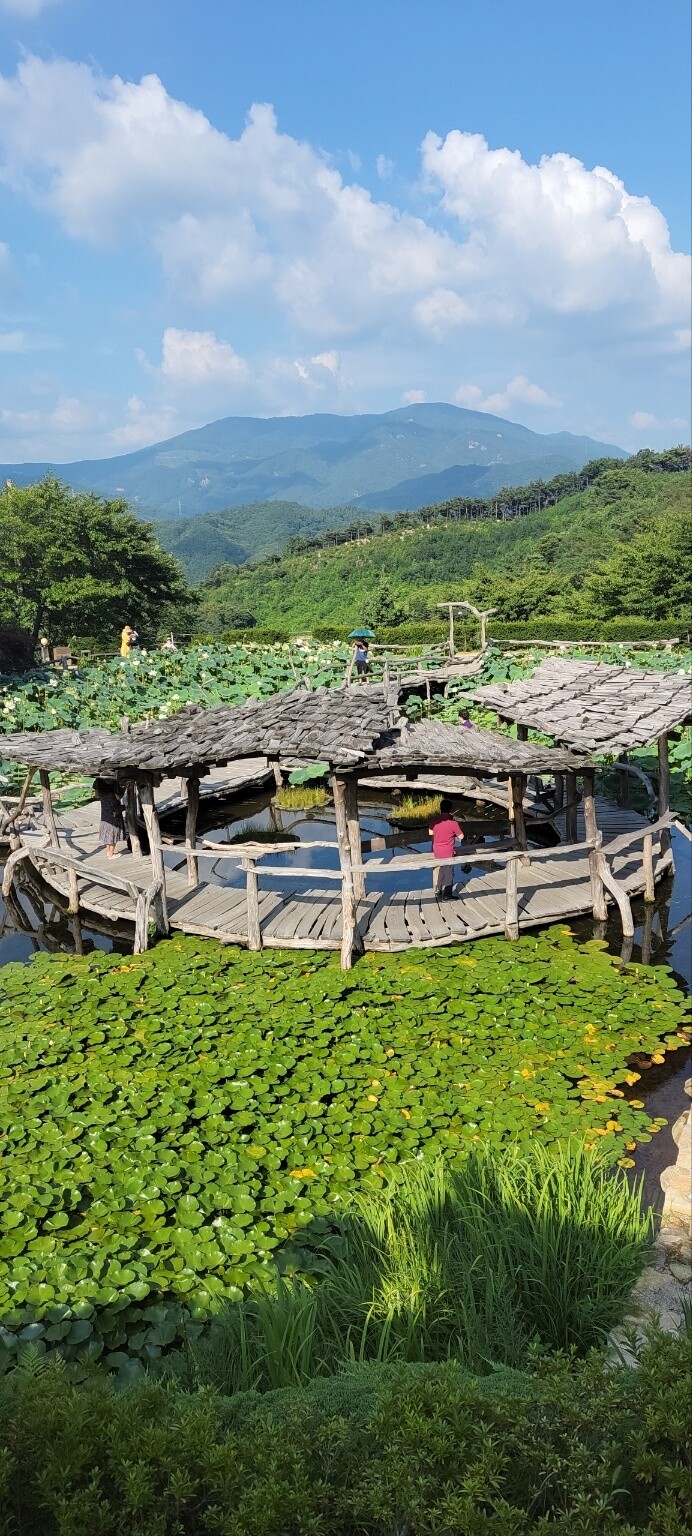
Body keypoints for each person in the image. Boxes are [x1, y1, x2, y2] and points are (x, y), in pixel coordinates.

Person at [429, 798, 464, 900]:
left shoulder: (435, 820)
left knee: (441, 869)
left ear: (440, 808)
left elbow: (431, 833)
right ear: (451, 809)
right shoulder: (453, 823)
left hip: (437, 851)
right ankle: (447, 894)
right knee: (449, 872)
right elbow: (461, 837)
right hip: (448, 851)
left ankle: (438, 890)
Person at [93, 778, 126, 858]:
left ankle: (109, 852)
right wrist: (125, 788)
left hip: (105, 807)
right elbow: (118, 797)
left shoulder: (98, 781)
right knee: (113, 830)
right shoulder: (114, 782)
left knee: (107, 830)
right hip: (113, 807)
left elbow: (96, 795)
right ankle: (111, 854)